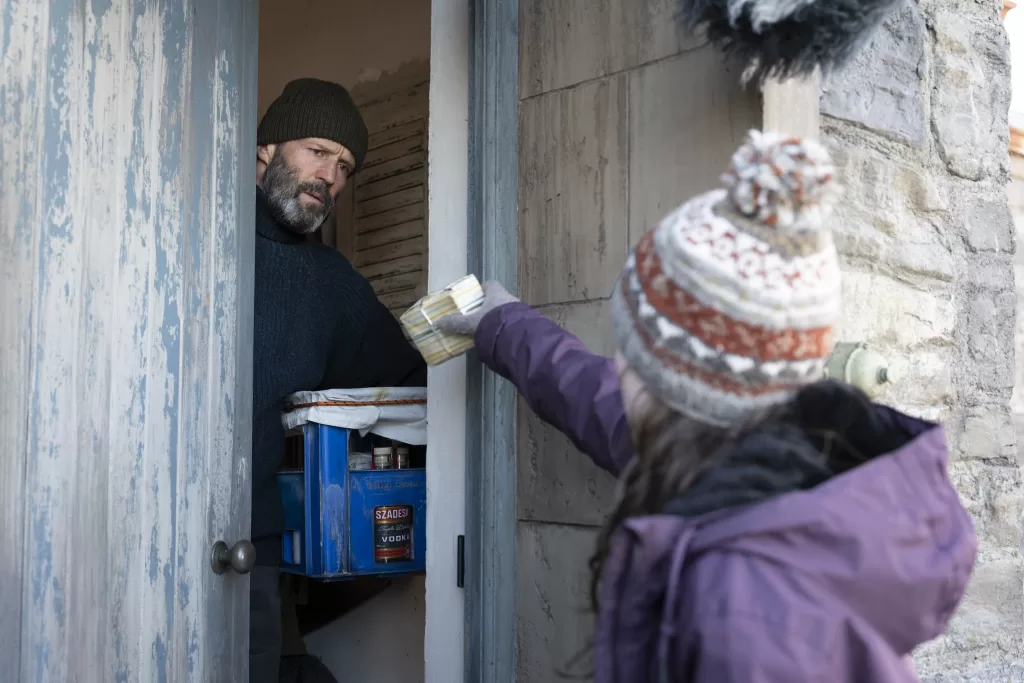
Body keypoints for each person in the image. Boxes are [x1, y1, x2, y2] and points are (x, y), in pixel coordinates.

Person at [439, 131, 977, 682]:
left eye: (635, 353)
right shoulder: (776, 465)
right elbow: (592, 396)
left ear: (680, 382)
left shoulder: (740, 608)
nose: (619, 368)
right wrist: (500, 325)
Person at [250, 77, 427, 683]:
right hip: (140, 521)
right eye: (319, 151)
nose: (332, 176)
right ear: (265, 152)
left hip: (253, 549)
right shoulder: (186, 236)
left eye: (346, 166)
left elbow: (412, 383)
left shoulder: (332, 283)